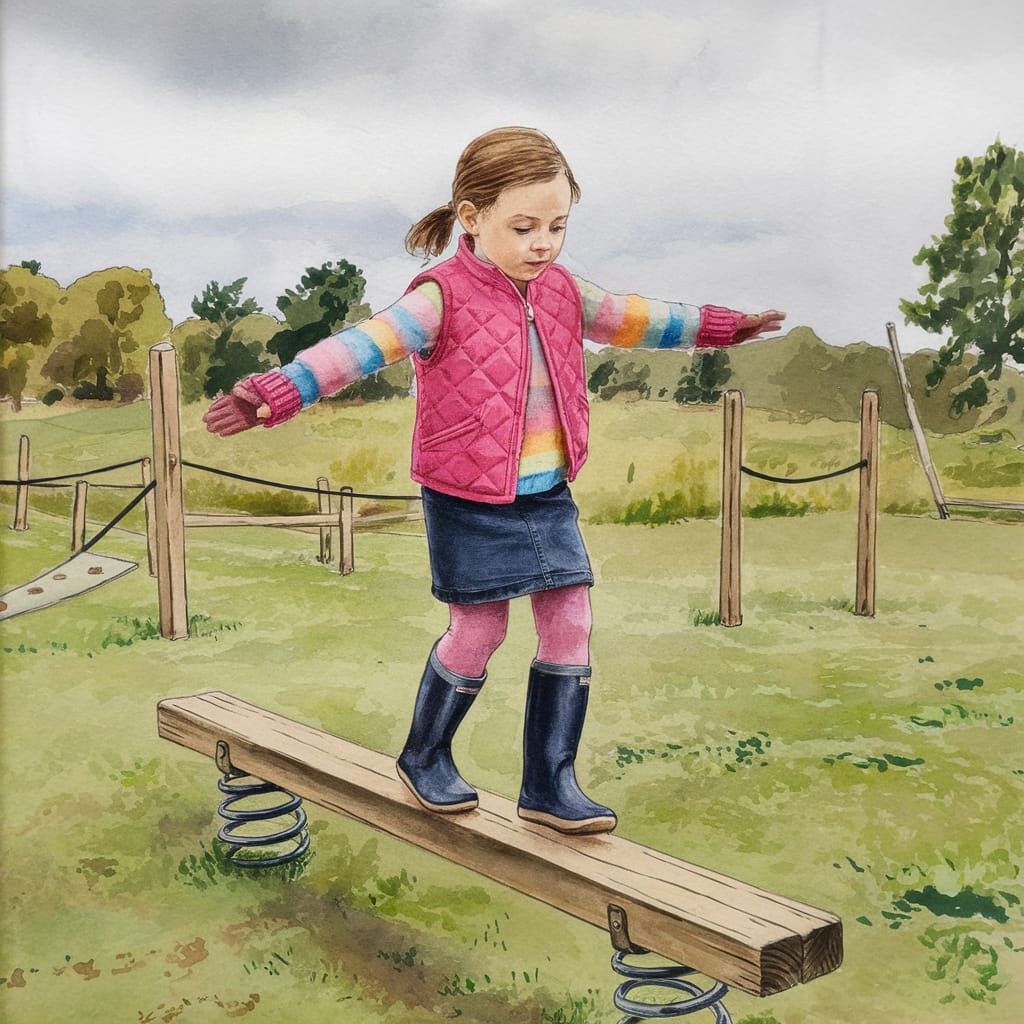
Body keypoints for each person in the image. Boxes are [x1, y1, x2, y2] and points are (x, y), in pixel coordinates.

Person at [203, 126, 784, 835]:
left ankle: (550, 783)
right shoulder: (439, 296)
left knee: (572, 621)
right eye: (525, 226)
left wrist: (729, 328)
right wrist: (278, 391)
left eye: (558, 226)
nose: (544, 243)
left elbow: (642, 320)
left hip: (545, 493)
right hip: (467, 494)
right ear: (471, 219)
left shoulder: (565, 291)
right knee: (479, 629)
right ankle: (425, 756)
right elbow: (360, 347)